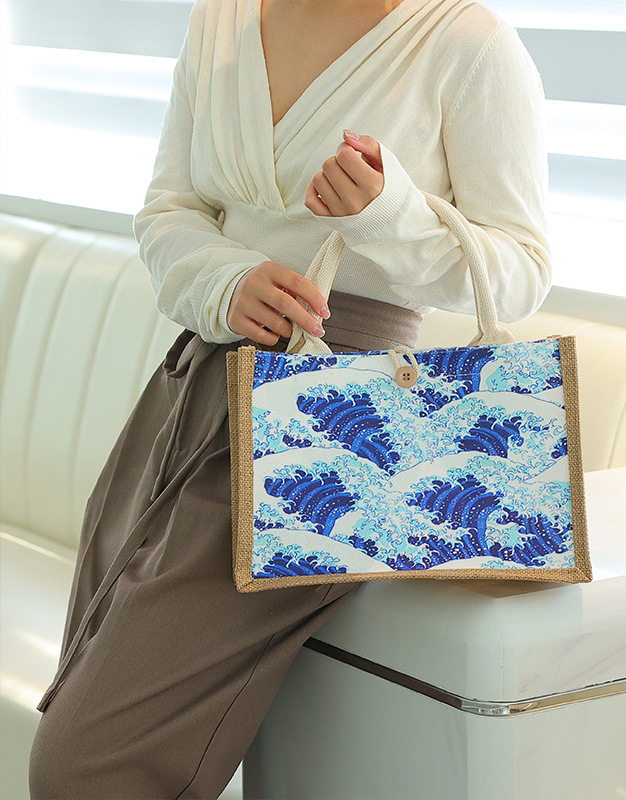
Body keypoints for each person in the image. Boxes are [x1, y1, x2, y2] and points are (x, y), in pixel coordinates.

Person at [28, 0, 551, 796]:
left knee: (85, 764)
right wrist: (226, 282)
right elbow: (168, 212)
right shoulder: (222, 18)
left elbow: (520, 272)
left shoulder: (467, 43)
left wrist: (388, 215)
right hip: (190, 392)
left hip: (340, 426)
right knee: (82, 703)